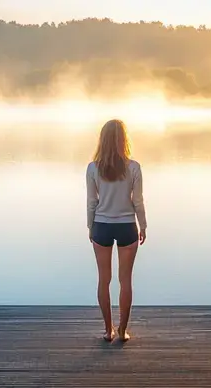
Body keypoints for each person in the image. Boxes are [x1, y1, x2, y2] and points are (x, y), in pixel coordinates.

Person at [86, 119, 147, 343]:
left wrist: (90, 226)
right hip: (127, 226)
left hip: (102, 226)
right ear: (124, 140)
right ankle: (122, 331)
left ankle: (108, 330)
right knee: (125, 281)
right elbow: (138, 201)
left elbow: (91, 202)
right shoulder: (134, 167)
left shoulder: (93, 168)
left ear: (102, 140)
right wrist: (144, 225)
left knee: (104, 280)